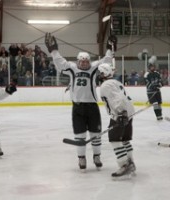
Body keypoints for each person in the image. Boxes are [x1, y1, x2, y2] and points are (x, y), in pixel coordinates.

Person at [45, 32, 116, 171]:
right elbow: (60, 61)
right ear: (78, 61)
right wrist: (53, 50)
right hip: (77, 108)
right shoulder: (72, 68)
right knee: (80, 135)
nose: (84, 63)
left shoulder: (95, 68)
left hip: (92, 107)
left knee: (96, 134)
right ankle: (81, 158)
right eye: (82, 61)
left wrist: (110, 48)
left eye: (86, 61)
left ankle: (97, 156)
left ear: (89, 61)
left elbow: (106, 61)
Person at [98, 63, 136, 178]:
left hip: (119, 114)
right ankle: (131, 163)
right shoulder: (116, 82)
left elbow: (118, 99)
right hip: (128, 113)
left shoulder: (105, 85)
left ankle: (124, 164)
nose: (98, 75)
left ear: (103, 73)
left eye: (99, 73)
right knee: (125, 140)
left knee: (114, 140)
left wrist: (121, 113)